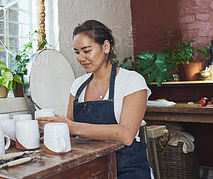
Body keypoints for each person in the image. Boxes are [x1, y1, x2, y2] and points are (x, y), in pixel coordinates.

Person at [37, 20, 151, 178]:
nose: (81, 58)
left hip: (126, 167)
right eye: (77, 52)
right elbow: (69, 131)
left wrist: (72, 127)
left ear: (105, 47)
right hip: (88, 167)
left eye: (86, 50)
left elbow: (126, 134)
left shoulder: (131, 81)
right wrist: (50, 129)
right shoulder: (78, 85)